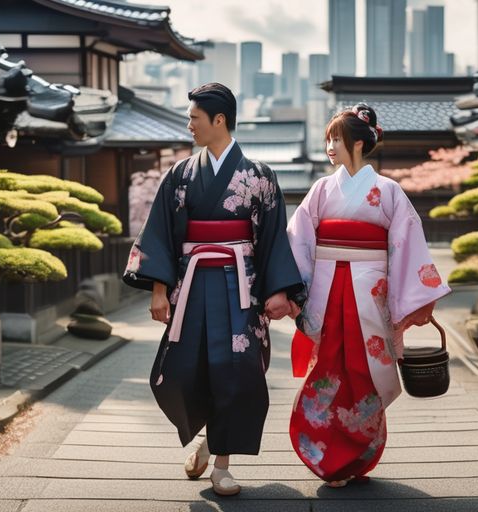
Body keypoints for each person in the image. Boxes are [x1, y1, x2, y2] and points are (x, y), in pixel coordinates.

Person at [123, 83, 304, 496]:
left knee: (238, 372)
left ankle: (221, 464)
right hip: (189, 287)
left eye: (194, 118)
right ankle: (206, 436)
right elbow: (160, 236)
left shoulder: (258, 176)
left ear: (218, 120)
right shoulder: (179, 175)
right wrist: (157, 289)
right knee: (185, 367)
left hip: (241, 287)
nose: (189, 125)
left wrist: (279, 290)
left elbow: (274, 238)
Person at [286, 104, 451, 487]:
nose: (329, 146)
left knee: (365, 370)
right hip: (327, 290)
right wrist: (290, 289)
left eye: (336, 139)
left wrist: (416, 297)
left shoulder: (388, 191)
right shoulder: (322, 189)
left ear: (358, 143)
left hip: (370, 291)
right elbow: (299, 240)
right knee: (327, 366)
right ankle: (326, 453)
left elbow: (407, 243)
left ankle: (358, 451)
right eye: (327, 139)